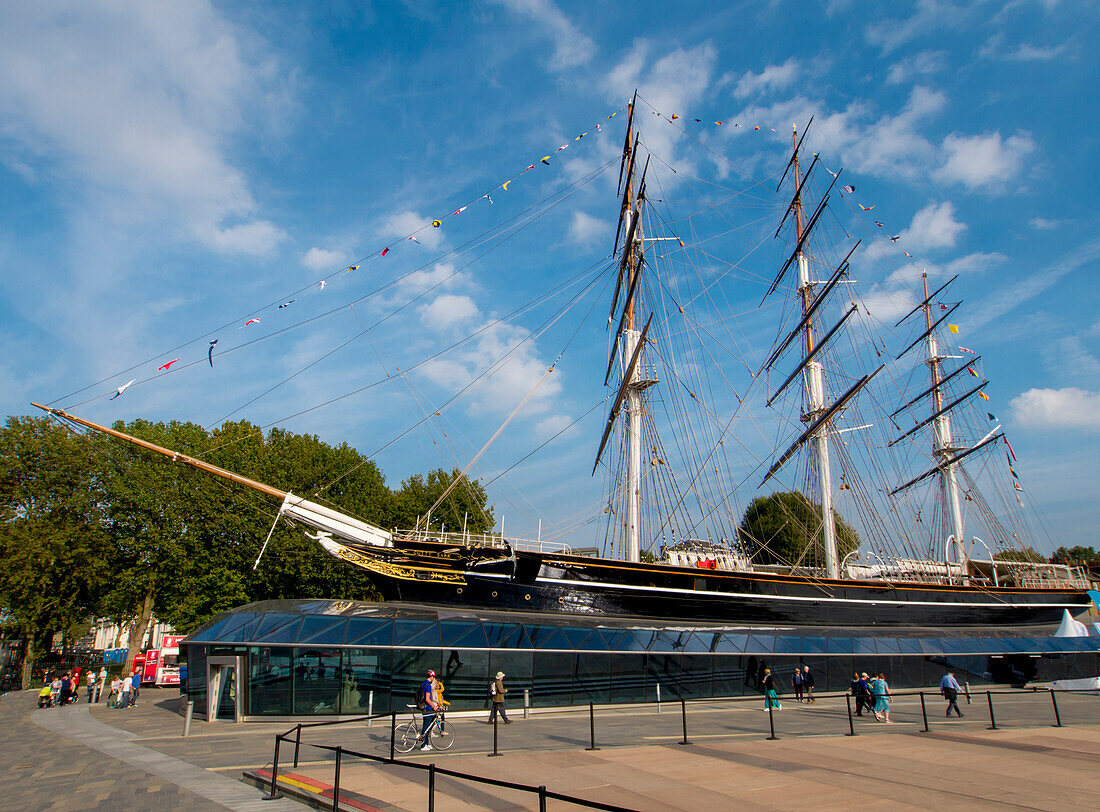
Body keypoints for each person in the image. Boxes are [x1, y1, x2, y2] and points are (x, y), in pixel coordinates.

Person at [417, 670, 439, 751]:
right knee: (426, 726)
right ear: (432, 677)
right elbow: (427, 699)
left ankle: (426, 743)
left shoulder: (424, 684)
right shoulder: (428, 686)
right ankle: (423, 745)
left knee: (428, 726)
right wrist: (434, 706)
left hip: (425, 708)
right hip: (427, 709)